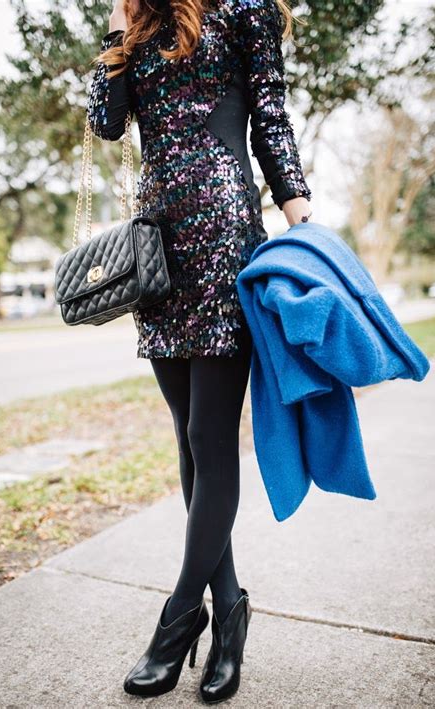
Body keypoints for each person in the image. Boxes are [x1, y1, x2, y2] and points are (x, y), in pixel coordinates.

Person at [87, 0, 312, 702]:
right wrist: (120, 28)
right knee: (188, 443)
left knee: (210, 438)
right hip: (154, 248)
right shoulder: (141, 22)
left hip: (222, 233)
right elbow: (105, 122)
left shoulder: (244, 10)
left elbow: (270, 116)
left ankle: (178, 619)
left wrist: (300, 214)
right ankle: (230, 613)